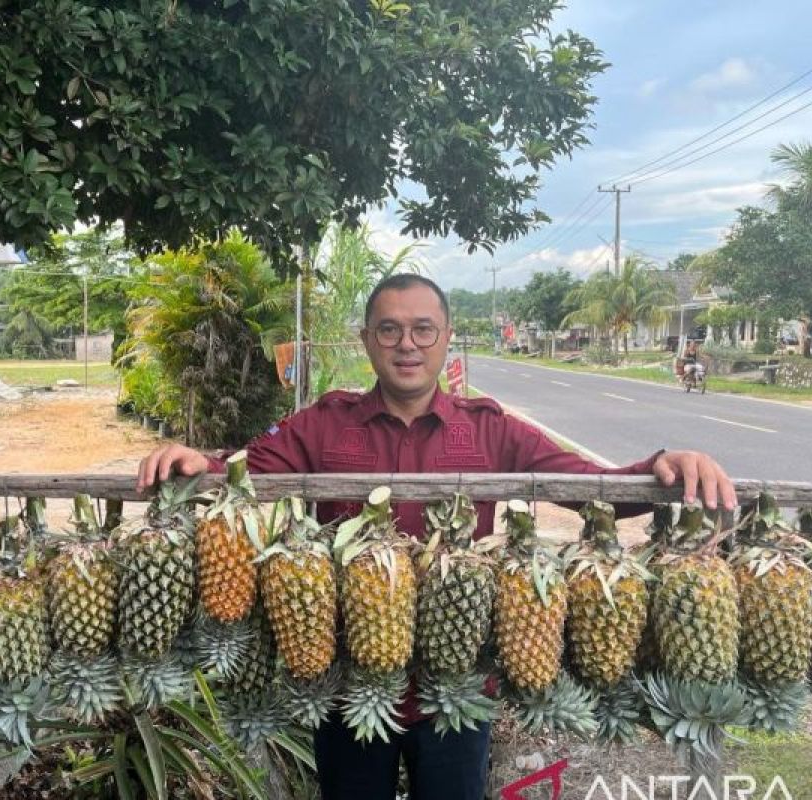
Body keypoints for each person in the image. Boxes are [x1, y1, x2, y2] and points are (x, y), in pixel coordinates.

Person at [136, 274, 737, 800]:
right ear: (368, 340)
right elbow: (247, 469)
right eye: (390, 330)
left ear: (446, 338)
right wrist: (198, 462)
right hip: (351, 678)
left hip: (456, 682)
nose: (407, 345)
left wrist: (665, 463)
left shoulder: (489, 431)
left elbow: (587, 485)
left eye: (423, 330)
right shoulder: (324, 422)